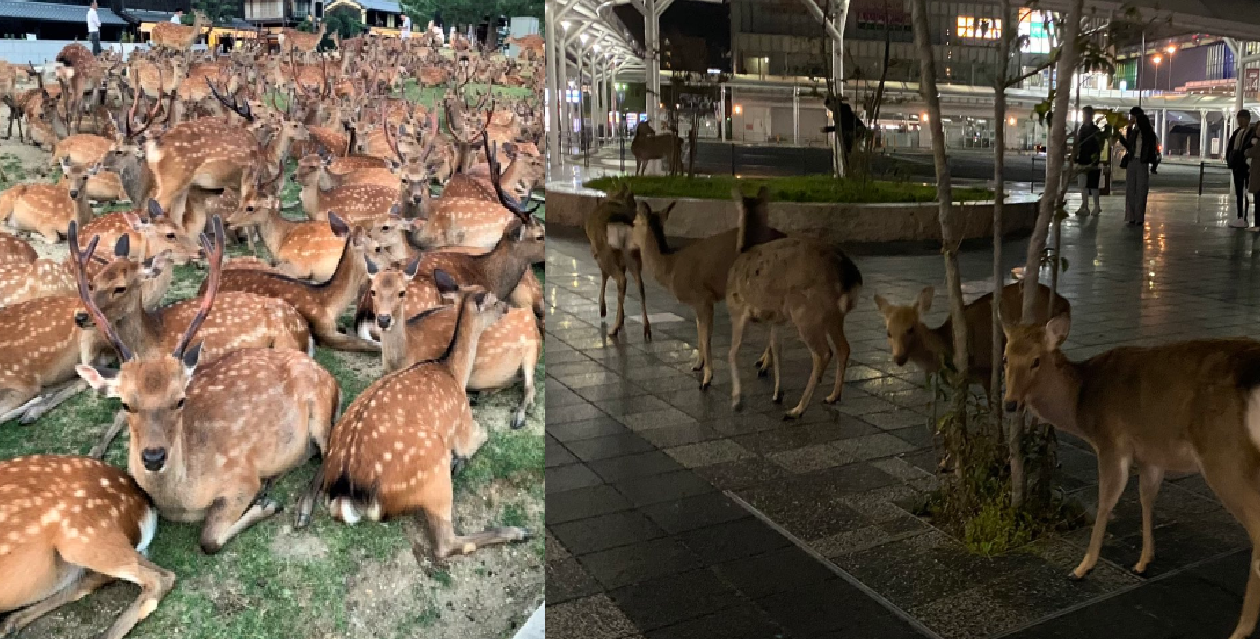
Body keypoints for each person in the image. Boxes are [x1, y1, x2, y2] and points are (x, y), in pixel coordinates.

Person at [1122, 106, 1158, 226]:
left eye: (1133, 116)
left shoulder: (1148, 133)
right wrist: (1128, 129)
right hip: (1132, 161)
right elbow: (1128, 145)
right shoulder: (1134, 131)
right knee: (1130, 189)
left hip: (1142, 162)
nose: (1131, 119)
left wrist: (1153, 165)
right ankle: (1131, 216)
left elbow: (1152, 149)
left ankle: (1139, 217)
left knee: (1141, 190)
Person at [1227, 109, 1254, 227]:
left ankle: (1245, 217)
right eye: (1239, 119)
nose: (1240, 121)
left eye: (1242, 119)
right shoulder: (1236, 132)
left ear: (1248, 119)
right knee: (1239, 191)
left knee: (1246, 191)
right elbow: (1230, 147)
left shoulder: (1252, 133)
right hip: (1237, 165)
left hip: (1246, 166)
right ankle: (1239, 216)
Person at [1074, 106, 1102, 216]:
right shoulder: (1083, 129)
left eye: (1085, 114)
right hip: (1083, 160)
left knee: (1092, 185)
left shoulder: (1094, 130)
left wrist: (1094, 159)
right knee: (1084, 185)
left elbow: (1097, 146)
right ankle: (1085, 206)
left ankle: (1095, 206)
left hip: (1091, 161)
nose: (1084, 116)